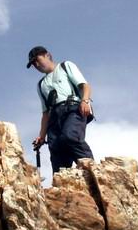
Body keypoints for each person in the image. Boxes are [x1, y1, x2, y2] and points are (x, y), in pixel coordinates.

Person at [26, 46, 94, 174]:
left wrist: (85, 101)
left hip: (72, 108)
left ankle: (91, 169)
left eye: (37, 60)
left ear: (47, 55)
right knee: (56, 148)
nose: (36, 65)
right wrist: (42, 136)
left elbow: (85, 85)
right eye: (33, 64)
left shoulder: (65, 66)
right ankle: (62, 179)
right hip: (54, 116)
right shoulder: (41, 85)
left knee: (70, 136)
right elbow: (45, 112)